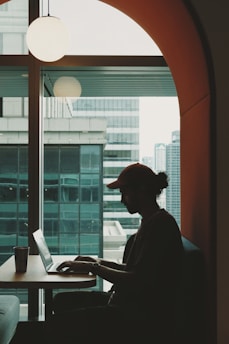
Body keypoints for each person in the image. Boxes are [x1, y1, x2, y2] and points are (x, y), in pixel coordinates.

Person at [45, 162, 184, 344]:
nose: (122, 199)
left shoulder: (160, 227)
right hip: (127, 304)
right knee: (61, 300)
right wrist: (95, 261)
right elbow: (132, 269)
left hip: (137, 316)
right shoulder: (152, 222)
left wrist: (92, 267)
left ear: (141, 190)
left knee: (58, 323)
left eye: (124, 192)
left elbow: (136, 279)